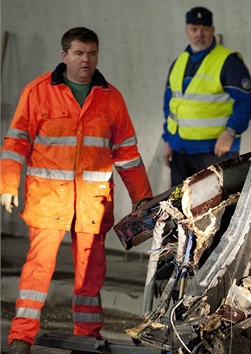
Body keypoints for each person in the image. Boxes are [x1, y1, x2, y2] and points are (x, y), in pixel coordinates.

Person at [1, 27, 153, 353]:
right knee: (37, 270)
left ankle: (86, 338)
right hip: (48, 199)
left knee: (90, 276)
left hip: (91, 204)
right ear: (64, 55)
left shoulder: (111, 98)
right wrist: (7, 183)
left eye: (92, 53)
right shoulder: (37, 92)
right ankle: (20, 337)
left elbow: (127, 152)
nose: (86, 60)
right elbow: (16, 143)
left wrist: (142, 197)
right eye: (79, 53)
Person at [162, 6, 251, 187]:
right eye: (194, 29)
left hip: (214, 151)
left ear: (213, 30)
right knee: (179, 211)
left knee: (219, 210)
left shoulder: (228, 62)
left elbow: (248, 102)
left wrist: (231, 131)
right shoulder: (178, 62)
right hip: (180, 151)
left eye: (205, 28)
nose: (199, 34)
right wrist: (168, 139)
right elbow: (170, 105)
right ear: (187, 31)